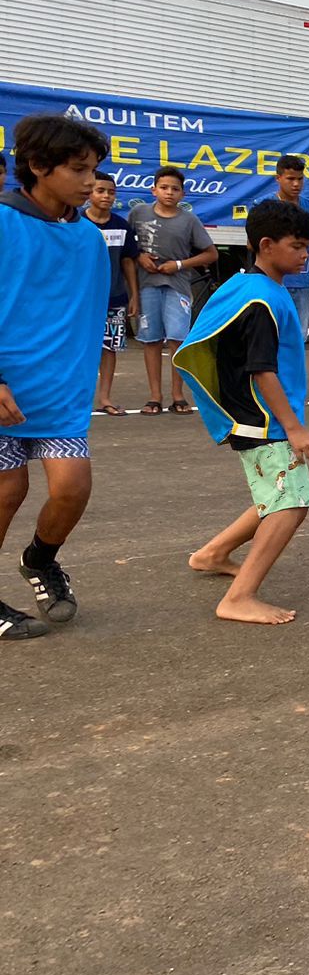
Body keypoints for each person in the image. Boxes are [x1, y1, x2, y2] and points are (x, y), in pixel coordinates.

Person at [175, 199, 309, 626]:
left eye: (307, 246)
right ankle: (239, 597)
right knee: (292, 504)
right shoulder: (261, 300)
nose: (304, 255)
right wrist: (293, 427)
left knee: (275, 494)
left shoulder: (246, 285)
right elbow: (262, 370)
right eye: (297, 246)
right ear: (265, 244)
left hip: (253, 416)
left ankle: (212, 553)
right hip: (264, 420)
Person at [0, 114, 110, 638]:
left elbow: (83, 316)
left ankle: (40, 560)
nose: (91, 181)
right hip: (4, 387)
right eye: (78, 169)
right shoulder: (2, 222)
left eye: (94, 170)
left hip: (58, 393)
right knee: (7, 489)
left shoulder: (88, 237)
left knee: (73, 487)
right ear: (39, 167)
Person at [129, 166, 218, 416]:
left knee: (178, 340)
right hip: (147, 286)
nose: (169, 193)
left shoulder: (188, 220)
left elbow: (210, 254)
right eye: (164, 187)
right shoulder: (138, 213)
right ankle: (154, 396)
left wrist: (178, 265)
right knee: (151, 340)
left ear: (183, 194)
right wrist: (140, 257)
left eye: (175, 189)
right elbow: (128, 246)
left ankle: (178, 395)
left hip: (177, 287)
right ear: (153, 189)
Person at [85, 172, 140, 417]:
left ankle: (105, 397)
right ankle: (79, 398)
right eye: (100, 191)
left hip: (115, 299)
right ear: (89, 193)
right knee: (80, 349)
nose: (106, 196)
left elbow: (128, 262)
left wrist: (134, 295)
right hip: (81, 301)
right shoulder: (76, 222)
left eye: (111, 191)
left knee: (109, 349)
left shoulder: (121, 225)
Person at [274, 155, 309, 326]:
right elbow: (253, 245)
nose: (296, 184)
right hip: (274, 283)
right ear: (278, 178)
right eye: (290, 179)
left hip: (302, 284)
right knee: (273, 335)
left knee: (298, 337)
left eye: (300, 179)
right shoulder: (265, 205)